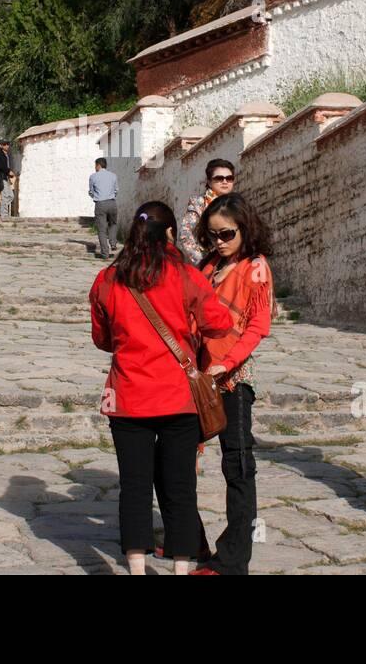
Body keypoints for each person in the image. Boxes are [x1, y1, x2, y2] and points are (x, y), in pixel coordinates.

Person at [90, 201, 234, 575]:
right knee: (180, 487)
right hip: (177, 398)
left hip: (127, 397)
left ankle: (137, 570)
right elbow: (218, 323)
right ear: (170, 233)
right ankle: (181, 569)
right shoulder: (185, 275)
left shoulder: (108, 278)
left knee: (134, 487)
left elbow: (102, 339)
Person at [189, 193, 274, 576]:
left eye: (226, 234)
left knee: (237, 466)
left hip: (232, 380)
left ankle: (233, 559)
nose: (219, 242)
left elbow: (258, 326)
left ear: (245, 228)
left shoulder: (255, 267)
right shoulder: (207, 266)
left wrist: (227, 363)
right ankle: (190, 541)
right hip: (197, 377)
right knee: (176, 460)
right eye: (212, 235)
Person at [178, 159, 237, 266]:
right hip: (209, 262)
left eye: (229, 178)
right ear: (209, 182)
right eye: (219, 178)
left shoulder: (237, 204)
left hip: (235, 262)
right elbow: (185, 236)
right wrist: (203, 262)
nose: (225, 181)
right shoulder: (198, 203)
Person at [89, 156, 118, 260]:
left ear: (98, 165)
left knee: (101, 230)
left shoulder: (93, 177)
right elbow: (116, 191)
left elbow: (91, 192)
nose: (95, 168)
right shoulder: (113, 176)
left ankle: (105, 254)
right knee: (113, 223)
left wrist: (94, 196)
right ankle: (113, 243)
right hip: (112, 203)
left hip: (100, 204)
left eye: (95, 166)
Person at [0, 140, 12, 216]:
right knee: (5, 196)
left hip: (6, 178)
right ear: (1, 146)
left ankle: (1, 209)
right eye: (5, 144)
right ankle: (4, 214)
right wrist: (9, 171)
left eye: (8, 144)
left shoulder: (6, 155)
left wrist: (9, 174)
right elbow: (1, 166)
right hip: (1, 178)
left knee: (11, 196)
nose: (7, 146)